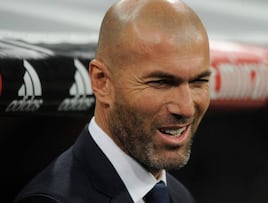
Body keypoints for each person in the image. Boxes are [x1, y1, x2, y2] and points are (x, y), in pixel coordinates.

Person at [13, 0, 211, 202]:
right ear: (102, 82)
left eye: (199, 81)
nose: (186, 108)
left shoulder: (179, 196)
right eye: (161, 82)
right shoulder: (51, 200)